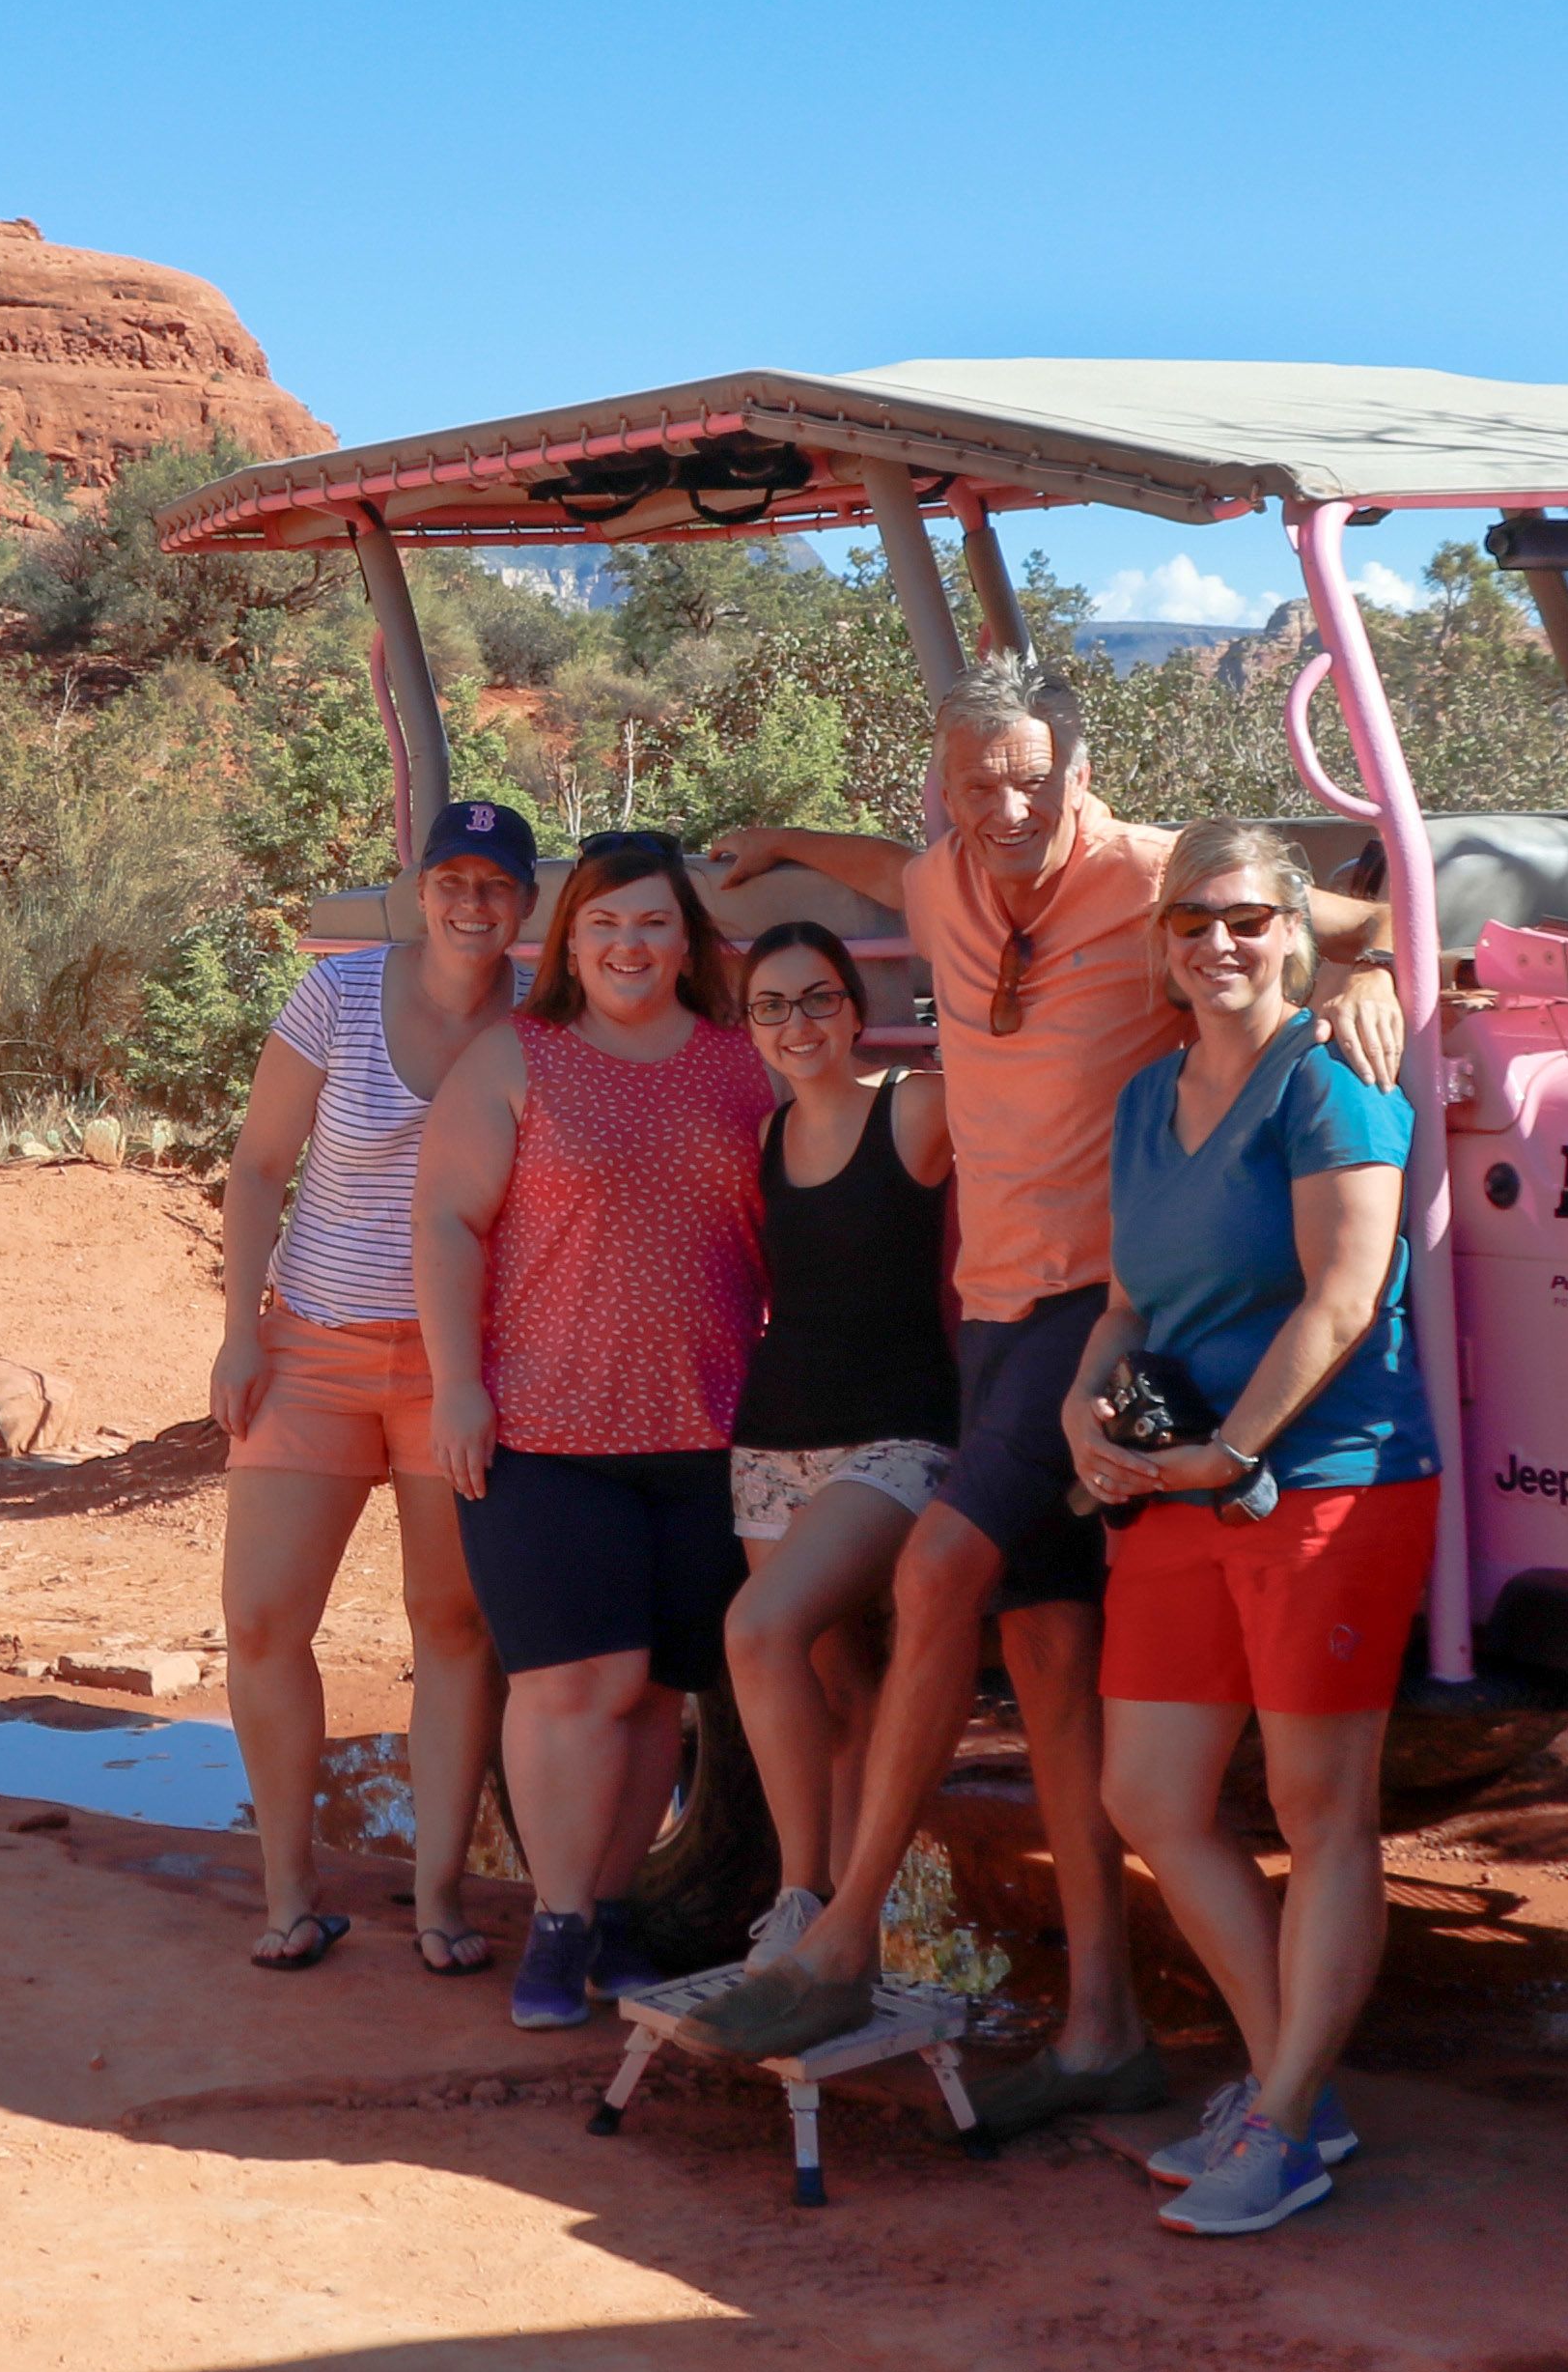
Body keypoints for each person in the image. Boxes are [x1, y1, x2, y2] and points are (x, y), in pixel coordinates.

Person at [669, 656, 1392, 2127]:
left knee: (940, 1566)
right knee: (1055, 1671)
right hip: (994, 1313)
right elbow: (890, 859)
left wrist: (1370, 967)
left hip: (1101, 1316)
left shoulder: (1152, 875)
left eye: (1025, 775)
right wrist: (788, 842)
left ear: (1079, 766)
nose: (999, 803)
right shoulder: (939, 875)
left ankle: (841, 1936)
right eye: (970, 777)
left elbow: (1358, 916)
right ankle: (1101, 2029)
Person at [1066, 821, 1435, 2238]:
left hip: (1325, 1479)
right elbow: (1126, 1305)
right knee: (1150, 1792)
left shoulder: (1331, 1075)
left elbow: (1341, 1300)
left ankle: (1280, 2116)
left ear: (1296, 928)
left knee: (1318, 1805)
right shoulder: (1146, 1098)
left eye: (1243, 918)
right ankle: (1299, 2084)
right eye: (1186, 921)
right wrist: (1084, 1423)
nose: (1214, 943)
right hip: (1176, 1487)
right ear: (1158, 943)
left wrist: (1230, 1450)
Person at [412, 829, 770, 2030]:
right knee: (575, 1685)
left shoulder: (741, 1063)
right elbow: (450, 1224)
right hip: (541, 1429)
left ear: (688, 941)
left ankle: (615, 1918)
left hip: (704, 1430)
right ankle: (557, 1926)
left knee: (657, 1696)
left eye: (653, 922)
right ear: (570, 941)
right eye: (605, 923)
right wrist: (456, 1386)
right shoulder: (516, 1058)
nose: (629, 943)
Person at [205, 798, 534, 1974]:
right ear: (418, 887)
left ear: (524, 906)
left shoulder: (540, 1018)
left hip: (457, 1370)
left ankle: (438, 1896)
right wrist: (241, 1333)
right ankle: (290, 1894)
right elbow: (255, 1167)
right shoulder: (339, 995)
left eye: (494, 885)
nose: (470, 902)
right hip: (314, 1347)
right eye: (451, 879)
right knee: (262, 1619)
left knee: (450, 1627)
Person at [711, 920, 956, 1968]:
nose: (797, 1022)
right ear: (750, 1027)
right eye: (771, 1005)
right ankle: (846, 1945)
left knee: (758, 1630)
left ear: (857, 1010)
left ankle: (805, 1900)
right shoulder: (759, 1141)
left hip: (896, 1440)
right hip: (771, 1447)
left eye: (817, 998)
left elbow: (1041, 1088)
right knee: (834, 1692)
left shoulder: (917, 1107)